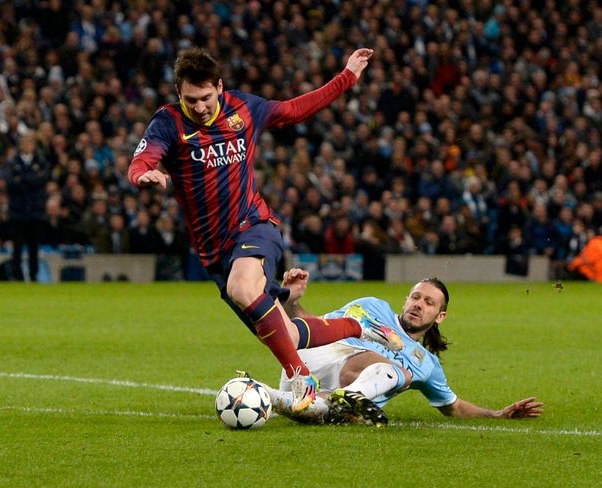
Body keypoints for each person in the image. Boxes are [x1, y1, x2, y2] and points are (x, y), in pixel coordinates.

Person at [128, 47, 402, 412]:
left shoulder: (244, 108)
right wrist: (143, 175)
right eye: (190, 99)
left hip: (255, 225)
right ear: (179, 94)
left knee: (242, 287)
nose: (199, 107)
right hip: (216, 254)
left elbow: (296, 109)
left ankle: (301, 381)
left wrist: (347, 77)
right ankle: (358, 326)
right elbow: (142, 158)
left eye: (206, 98)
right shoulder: (168, 122)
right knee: (288, 334)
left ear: (220, 87)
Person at [250, 268, 543, 425]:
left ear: (440, 316)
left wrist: (498, 414)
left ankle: (275, 399)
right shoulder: (372, 307)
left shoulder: (428, 365)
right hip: (312, 363)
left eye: (429, 303)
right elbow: (312, 328)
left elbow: (453, 407)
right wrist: (292, 300)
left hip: (311, 392)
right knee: (398, 373)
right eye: (416, 297)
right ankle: (344, 402)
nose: (419, 304)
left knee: (394, 373)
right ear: (406, 299)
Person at [3, 133, 51, 282]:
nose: (27, 145)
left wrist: (22, 178)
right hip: (18, 211)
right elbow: (10, 183)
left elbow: (43, 179)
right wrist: (32, 180)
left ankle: (33, 275)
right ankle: (17, 275)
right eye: (25, 142)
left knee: (33, 246)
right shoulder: (13, 162)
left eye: (30, 142)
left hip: (35, 210)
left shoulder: (41, 161)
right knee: (17, 246)